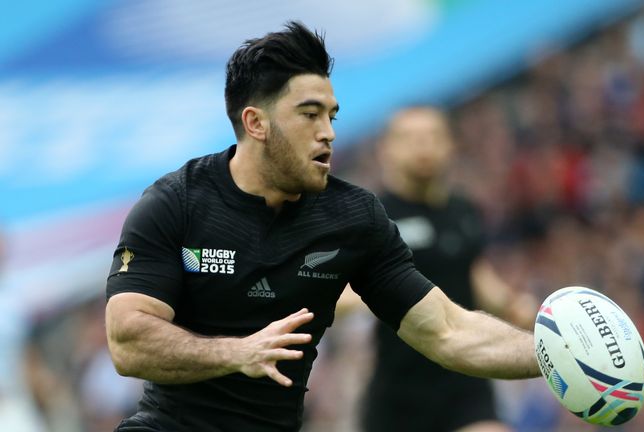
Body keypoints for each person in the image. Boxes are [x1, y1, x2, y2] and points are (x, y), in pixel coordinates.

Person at [105, 21, 540, 432]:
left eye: (332, 115)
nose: (328, 132)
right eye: (310, 115)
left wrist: (558, 355)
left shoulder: (355, 219)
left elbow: (448, 331)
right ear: (256, 123)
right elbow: (128, 341)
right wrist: (236, 352)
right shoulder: (175, 204)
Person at [357, 106, 537, 432]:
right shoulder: (375, 218)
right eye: (410, 138)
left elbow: (474, 274)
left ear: (450, 145)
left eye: (432, 137)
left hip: (466, 379)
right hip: (399, 395)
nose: (423, 146)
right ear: (387, 150)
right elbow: (341, 287)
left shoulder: (463, 211)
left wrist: (516, 307)